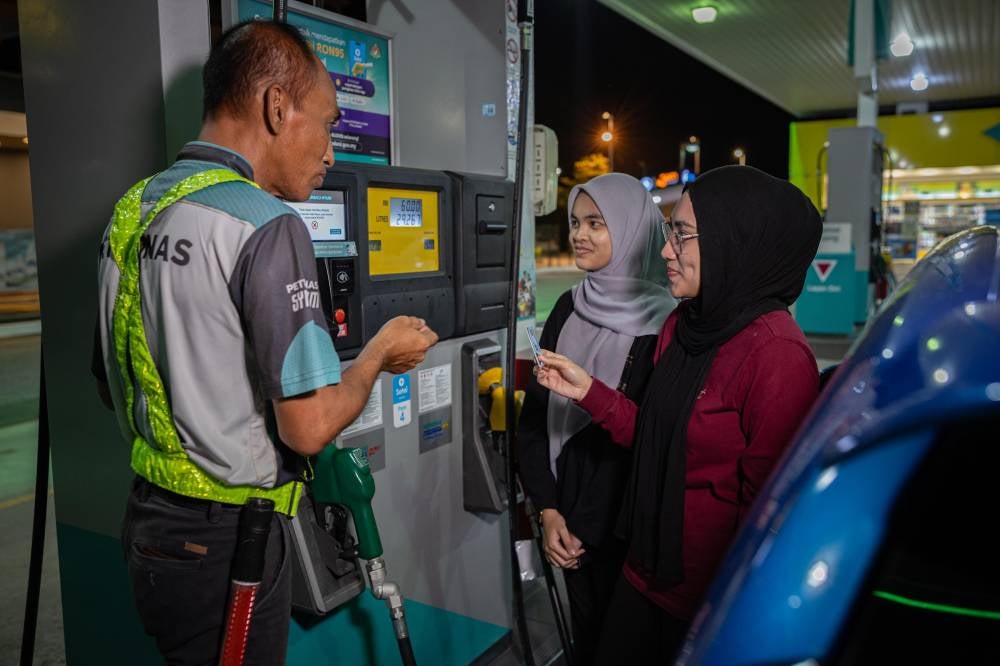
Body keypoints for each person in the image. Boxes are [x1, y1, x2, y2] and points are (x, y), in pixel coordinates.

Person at [93, 21, 437, 664]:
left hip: (151, 529)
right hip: (231, 545)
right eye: (328, 124)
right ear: (277, 107)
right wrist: (375, 359)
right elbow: (307, 429)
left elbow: (116, 384)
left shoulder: (135, 208)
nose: (332, 152)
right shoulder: (268, 225)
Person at [536, 165, 822, 663]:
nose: (667, 250)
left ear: (738, 243)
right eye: (671, 232)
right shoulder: (682, 326)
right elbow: (651, 437)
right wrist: (589, 393)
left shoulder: (776, 354)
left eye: (684, 236)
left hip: (707, 597)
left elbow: (771, 515)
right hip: (642, 567)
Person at [517, 173, 675, 665]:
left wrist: (582, 525)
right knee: (587, 640)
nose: (579, 235)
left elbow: (644, 438)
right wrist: (546, 511)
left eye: (596, 224)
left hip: (621, 533)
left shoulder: (666, 324)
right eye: (575, 223)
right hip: (562, 520)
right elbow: (534, 419)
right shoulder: (568, 306)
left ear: (631, 231)